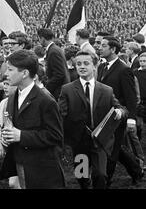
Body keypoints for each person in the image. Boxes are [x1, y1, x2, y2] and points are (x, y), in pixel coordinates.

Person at [59, 51, 126, 189]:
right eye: (78, 64)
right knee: (81, 176)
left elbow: (120, 108)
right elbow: (61, 114)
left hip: (99, 142)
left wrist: (119, 111)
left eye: (86, 63)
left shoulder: (106, 90)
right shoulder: (68, 89)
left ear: (94, 66)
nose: (82, 67)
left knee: (101, 175)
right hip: (79, 142)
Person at [0, 49, 65, 189]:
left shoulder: (46, 101)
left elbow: (55, 136)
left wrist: (21, 135)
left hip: (41, 169)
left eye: (10, 70)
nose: (6, 74)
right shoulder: (13, 96)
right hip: (19, 162)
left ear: (24, 73)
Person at [97, 36, 144, 186]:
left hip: (118, 116)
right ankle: (136, 170)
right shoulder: (102, 66)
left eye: (103, 45)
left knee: (111, 150)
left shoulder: (124, 70)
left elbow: (130, 97)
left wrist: (131, 118)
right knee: (116, 148)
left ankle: (106, 181)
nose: (100, 47)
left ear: (113, 49)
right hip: (104, 115)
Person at [37, 28, 70, 100]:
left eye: (39, 38)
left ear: (42, 38)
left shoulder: (53, 51)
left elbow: (59, 74)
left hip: (58, 91)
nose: (39, 41)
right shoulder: (54, 49)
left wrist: (47, 88)